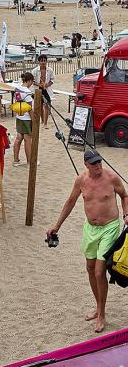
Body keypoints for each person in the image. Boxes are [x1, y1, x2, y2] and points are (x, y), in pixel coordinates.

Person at [47, 149, 128, 333]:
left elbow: (124, 195)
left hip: (110, 227)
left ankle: (102, 314)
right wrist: (56, 226)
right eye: (94, 163)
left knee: (100, 272)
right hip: (90, 229)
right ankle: (98, 307)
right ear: (86, 164)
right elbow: (70, 202)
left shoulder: (112, 178)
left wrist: (126, 213)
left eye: (99, 162)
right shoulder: (81, 180)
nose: (98, 165)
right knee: (90, 268)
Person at [12, 73, 35, 165]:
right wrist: (34, 120)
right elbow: (29, 108)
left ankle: (16, 160)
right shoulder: (26, 92)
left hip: (19, 116)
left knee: (19, 138)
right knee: (27, 139)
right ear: (29, 81)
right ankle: (29, 161)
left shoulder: (17, 88)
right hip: (26, 118)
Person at [36, 55, 54, 129]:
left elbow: (52, 80)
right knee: (40, 106)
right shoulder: (35, 70)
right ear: (39, 62)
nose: (43, 62)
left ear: (46, 61)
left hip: (46, 89)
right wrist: (40, 84)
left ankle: (45, 123)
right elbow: (32, 81)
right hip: (38, 89)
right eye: (42, 61)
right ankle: (42, 120)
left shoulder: (50, 70)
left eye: (44, 60)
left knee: (47, 106)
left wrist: (47, 84)